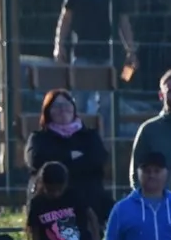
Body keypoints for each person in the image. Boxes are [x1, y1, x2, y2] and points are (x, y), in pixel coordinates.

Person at [53, 0, 137, 115]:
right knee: (79, 103)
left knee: (107, 105)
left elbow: (124, 22)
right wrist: (58, 45)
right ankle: (78, 132)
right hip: (81, 53)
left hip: (108, 54)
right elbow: (65, 18)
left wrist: (131, 50)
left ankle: (104, 133)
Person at [25, 89, 111, 224]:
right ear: (48, 111)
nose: (62, 109)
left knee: (92, 237)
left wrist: (61, 159)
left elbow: (99, 159)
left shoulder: (89, 136)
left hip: (89, 204)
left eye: (66, 104)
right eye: (56, 106)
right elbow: (36, 160)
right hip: (53, 209)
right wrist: (74, 157)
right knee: (64, 237)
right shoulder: (39, 138)